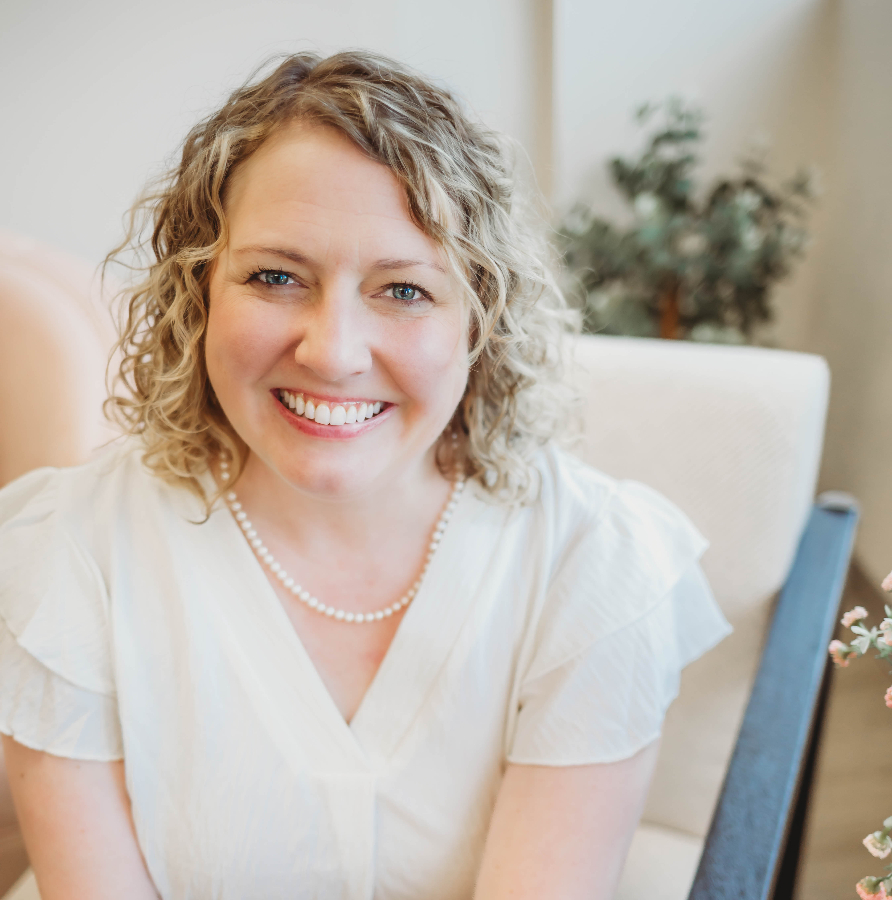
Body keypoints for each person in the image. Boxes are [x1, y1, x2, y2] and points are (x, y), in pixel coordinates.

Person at [0, 51, 730, 900]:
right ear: (198, 294)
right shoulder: (70, 555)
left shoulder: (590, 564)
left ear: (480, 319)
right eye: (276, 277)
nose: (333, 352)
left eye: (403, 290)